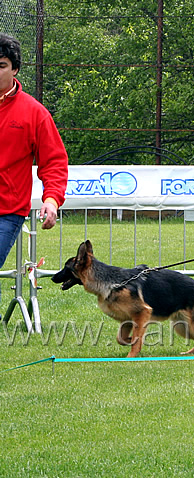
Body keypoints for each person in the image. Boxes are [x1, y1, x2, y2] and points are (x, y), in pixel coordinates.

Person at [0, 33, 68, 304]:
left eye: (1, 65)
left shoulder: (34, 113)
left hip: (7, 212)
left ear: (14, 69)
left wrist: (51, 201)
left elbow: (54, 162)